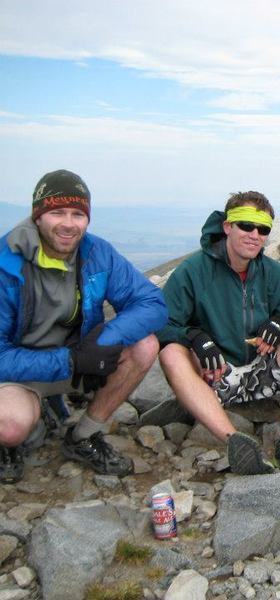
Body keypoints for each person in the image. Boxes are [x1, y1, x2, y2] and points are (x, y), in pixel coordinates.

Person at [0, 169, 167, 483]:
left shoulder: (96, 253)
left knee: (145, 346)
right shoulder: (6, 265)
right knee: (11, 426)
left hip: (82, 362)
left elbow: (151, 303)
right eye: (57, 212)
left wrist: (104, 339)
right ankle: (10, 441)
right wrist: (71, 360)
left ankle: (83, 436)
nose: (68, 223)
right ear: (37, 216)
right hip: (20, 373)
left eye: (78, 214)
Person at [157, 191, 280, 475]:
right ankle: (235, 442)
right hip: (217, 374)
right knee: (171, 353)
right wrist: (195, 338)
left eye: (262, 229)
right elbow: (161, 322)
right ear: (227, 227)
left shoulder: (274, 274)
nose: (254, 235)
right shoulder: (193, 271)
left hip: (264, 370)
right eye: (246, 225)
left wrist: (279, 323)